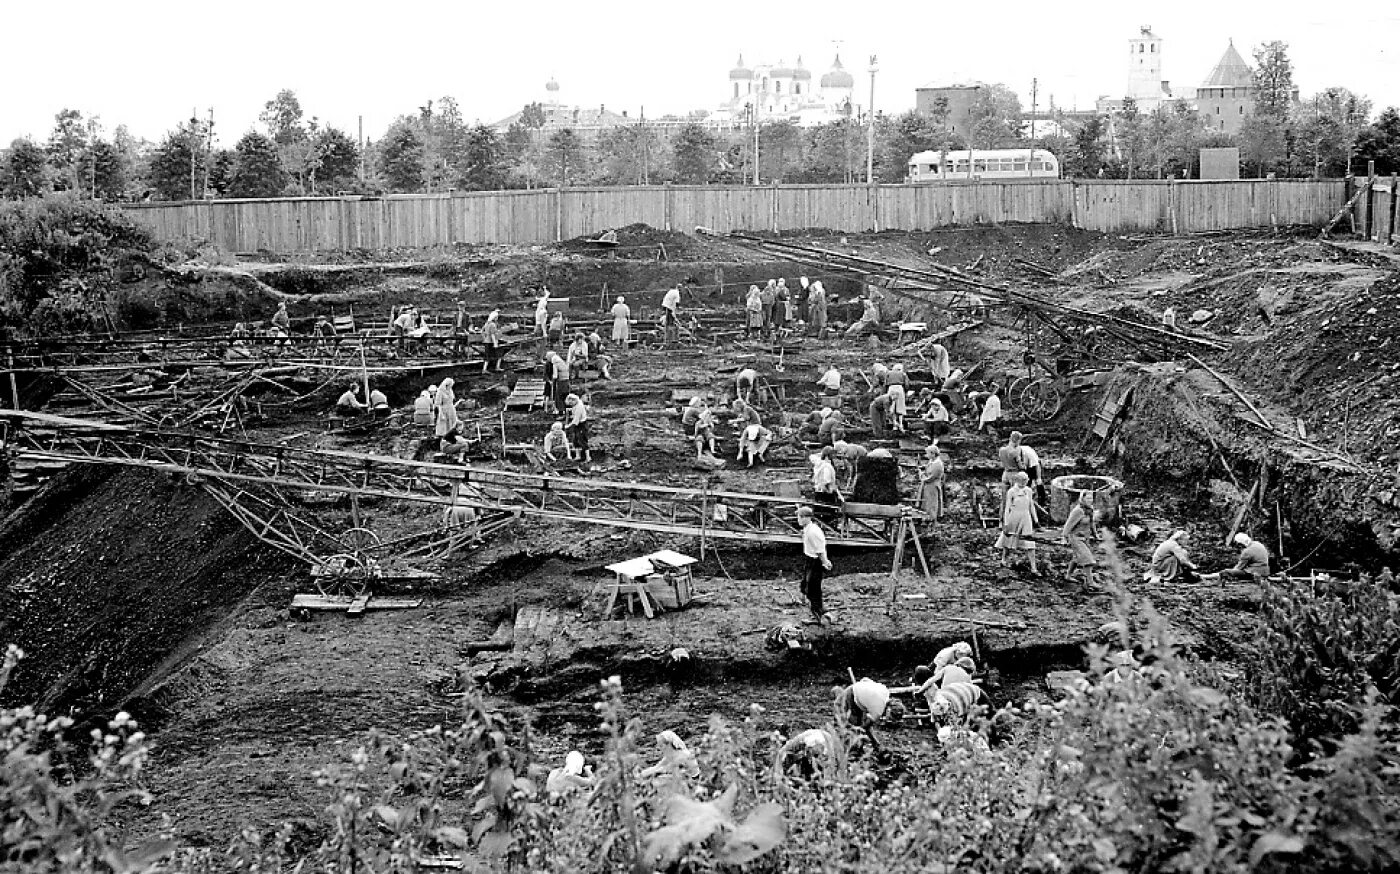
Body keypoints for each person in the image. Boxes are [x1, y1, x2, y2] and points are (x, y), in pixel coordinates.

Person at [996, 471, 1039, 574]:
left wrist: (1036, 521)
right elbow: (1007, 508)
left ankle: (1034, 568)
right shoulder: (1011, 491)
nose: (1024, 482)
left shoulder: (1028, 491)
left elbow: (1031, 506)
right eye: (1022, 480)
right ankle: (1003, 559)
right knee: (1009, 539)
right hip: (1014, 516)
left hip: (1026, 517)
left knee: (1030, 542)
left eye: (1026, 480)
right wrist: (1005, 524)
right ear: (1017, 480)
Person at [797, 505, 831, 623]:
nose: (798, 519)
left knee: (813, 587)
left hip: (815, 561)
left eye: (800, 517)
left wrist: (825, 561)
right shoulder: (808, 529)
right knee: (807, 583)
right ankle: (815, 608)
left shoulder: (813, 532)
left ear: (807, 518)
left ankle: (818, 614)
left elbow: (820, 549)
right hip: (809, 559)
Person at [1061, 490, 1098, 590]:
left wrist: (1096, 535)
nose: (1090, 500)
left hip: (1085, 538)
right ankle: (1090, 582)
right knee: (1088, 559)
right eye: (1088, 498)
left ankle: (1068, 576)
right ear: (1082, 499)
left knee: (1076, 557)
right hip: (1075, 537)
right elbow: (1068, 525)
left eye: (1091, 498)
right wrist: (1064, 537)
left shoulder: (1090, 509)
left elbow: (1092, 523)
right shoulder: (1078, 511)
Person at [997, 432, 1029, 511]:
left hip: (1005, 473)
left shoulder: (1002, 450)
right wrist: (1025, 463)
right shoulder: (1015, 452)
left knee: (1004, 498)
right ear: (1017, 440)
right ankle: (1012, 517)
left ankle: (1002, 518)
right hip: (1014, 474)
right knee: (1014, 498)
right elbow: (1021, 466)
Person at [811, 448, 843, 520]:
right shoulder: (827, 467)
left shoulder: (819, 465)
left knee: (819, 513)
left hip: (818, 492)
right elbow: (826, 481)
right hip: (826, 494)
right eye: (833, 456)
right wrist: (829, 491)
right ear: (828, 456)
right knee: (828, 514)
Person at [919, 443, 947, 524]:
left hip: (933, 485)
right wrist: (924, 468)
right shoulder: (932, 461)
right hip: (928, 486)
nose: (926, 455)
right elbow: (929, 468)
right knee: (927, 502)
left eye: (927, 453)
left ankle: (932, 519)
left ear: (933, 454)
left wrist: (922, 476)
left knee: (932, 502)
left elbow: (931, 477)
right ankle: (927, 518)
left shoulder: (938, 464)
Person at [566, 393, 591, 463]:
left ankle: (588, 457)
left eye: (571, 402)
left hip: (582, 425)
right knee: (575, 440)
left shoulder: (579, 407)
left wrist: (568, 427)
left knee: (582, 440)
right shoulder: (575, 405)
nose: (570, 403)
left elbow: (576, 421)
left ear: (575, 400)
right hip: (577, 424)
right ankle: (578, 456)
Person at [546, 350, 570, 414]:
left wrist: (553, 382)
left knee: (559, 397)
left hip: (561, 382)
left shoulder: (555, 364)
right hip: (567, 381)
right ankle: (565, 411)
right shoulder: (562, 362)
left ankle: (561, 413)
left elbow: (555, 376)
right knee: (565, 396)